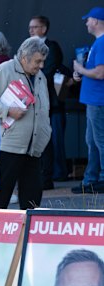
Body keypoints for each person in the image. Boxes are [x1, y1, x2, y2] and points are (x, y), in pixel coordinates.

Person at [0, 37, 51, 210]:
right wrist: (7, 111)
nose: (41, 66)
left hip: (34, 149)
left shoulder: (40, 76)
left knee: (32, 201)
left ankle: (27, 235)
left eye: (43, 61)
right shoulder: (4, 70)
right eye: (38, 61)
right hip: (9, 147)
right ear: (24, 57)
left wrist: (46, 131)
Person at [29, 15, 69, 189]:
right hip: (39, 102)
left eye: (35, 27)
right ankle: (49, 173)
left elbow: (47, 71)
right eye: (30, 28)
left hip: (53, 102)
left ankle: (58, 173)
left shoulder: (51, 47)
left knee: (54, 139)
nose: (31, 31)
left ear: (44, 29)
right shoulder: (30, 48)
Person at [71, 7, 104, 195]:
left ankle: (98, 179)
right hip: (94, 100)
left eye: (88, 20)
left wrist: (81, 71)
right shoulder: (98, 43)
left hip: (98, 101)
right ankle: (91, 180)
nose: (86, 23)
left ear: (97, 21)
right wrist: (81, 74)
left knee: (98, 141)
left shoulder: (101, 43)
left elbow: (100, 73)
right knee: (93, 141)